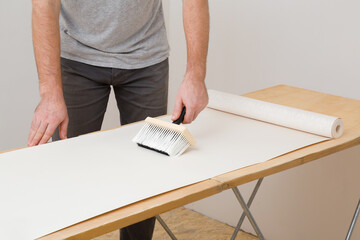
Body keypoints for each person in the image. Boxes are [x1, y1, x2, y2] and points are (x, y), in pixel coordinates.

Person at [28, 0, 209, 239]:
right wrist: (50, 93)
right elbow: (45, 5)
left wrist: (196, 75)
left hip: (146, 58)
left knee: (147, 173)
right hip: (77, 59)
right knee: (69, 171)